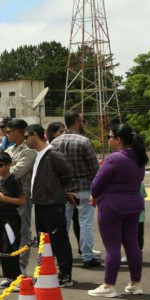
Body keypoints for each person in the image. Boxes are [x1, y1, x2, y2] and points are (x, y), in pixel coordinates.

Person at [88, 124, 147, 297]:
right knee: (132, 244)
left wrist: (95, 196)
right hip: (134, 203)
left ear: (118, 139)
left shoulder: (114, 158)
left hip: (112, 205)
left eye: (110, 136)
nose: (108, 139)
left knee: (112, 245)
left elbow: (97, 184)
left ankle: (108, 285)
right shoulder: (139, 157)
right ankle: (135, 283)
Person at [0, 119, 37, 278]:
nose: (5, 132)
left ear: (18, 131)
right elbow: (3, 169)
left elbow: (16, 171)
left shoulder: (29, 151)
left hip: (19, 196)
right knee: (0, 232)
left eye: (7, 130)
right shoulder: (10, 149)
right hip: (3, 199)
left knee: (22, 233)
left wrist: (6, 168)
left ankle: (21, 267)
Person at [26, 123, 76, 287]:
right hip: (41, 203)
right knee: (44, 241)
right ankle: (46, 271)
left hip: (52, 204)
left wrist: (60, 191)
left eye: (27, 136)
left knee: (58, 239)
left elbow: (66, 174)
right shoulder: (39, 155)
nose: (25, 140)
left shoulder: (52, 154)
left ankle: (65, 273)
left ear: (35, 135)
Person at [51, 110, 101, 268]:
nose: (83, 123)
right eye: (82, 121)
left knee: (63, 225)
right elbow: (95, 168)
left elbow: (52, 168)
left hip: (64, 190)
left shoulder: (55, 143)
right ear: (77, 122)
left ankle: (61, 257)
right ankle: (87, 256)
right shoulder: (84, 141)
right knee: (85, 223)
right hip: (83, 187)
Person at [0, 152, 26, 289]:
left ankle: (16, 277)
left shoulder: (14, 180)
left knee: (10, 247)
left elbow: (22, 200)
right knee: (1, 248)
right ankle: (9, 277)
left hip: (10, 219)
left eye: (0, 165)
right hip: (0, 217)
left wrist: (4, 198)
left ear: (8, 165)